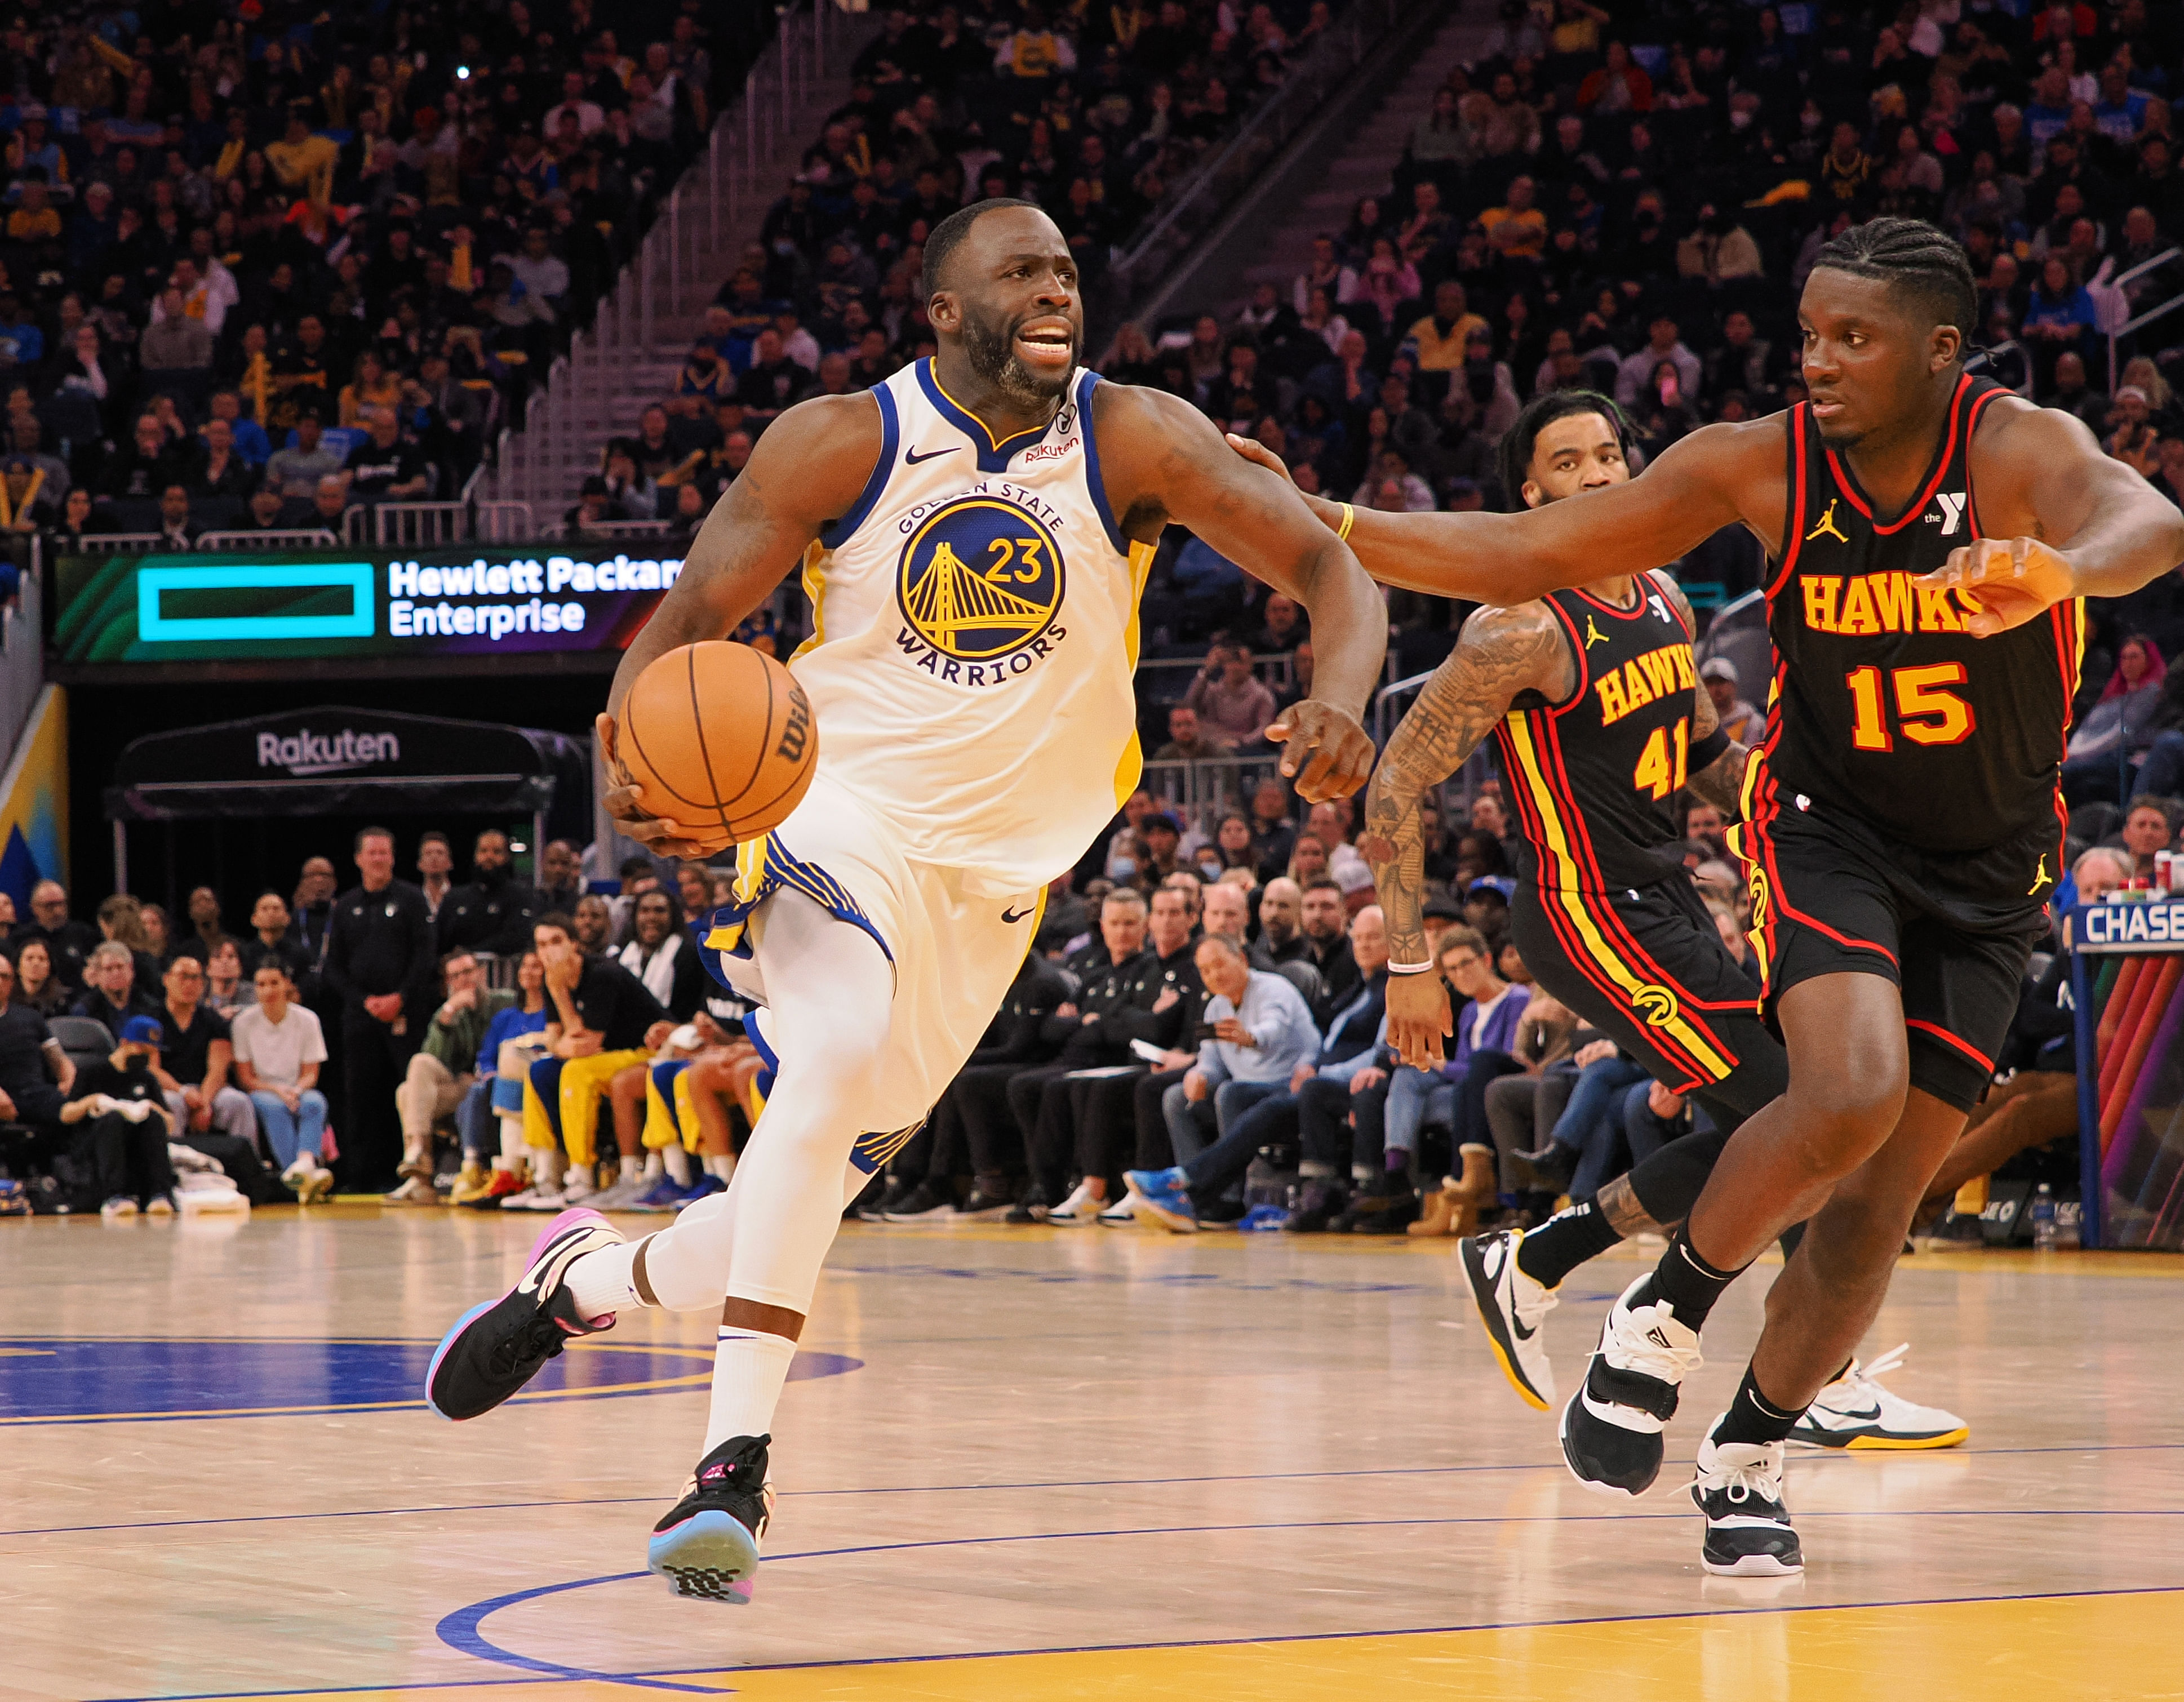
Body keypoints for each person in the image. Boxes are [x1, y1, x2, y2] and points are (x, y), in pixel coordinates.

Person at [425, 196, 1385, 1603]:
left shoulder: (1131, 436)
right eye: (1019, 270)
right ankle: (729, 1468)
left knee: (791, 1194)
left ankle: (582, 1282)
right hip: (838, 811)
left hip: (999, 886)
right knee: (826, 1055)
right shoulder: (840, 440)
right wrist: (629, 755)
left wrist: (1341, 695)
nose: (1054, 285)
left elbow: (1325, 562)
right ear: (943, 308)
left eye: (1063, 267)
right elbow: (683, 626)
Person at [1232, 217, 2184, 1576]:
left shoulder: (2010, 451)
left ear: (1937, 350)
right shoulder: (1753, 462)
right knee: (1837, 1091)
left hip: (1985, 874)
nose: (1817, 360)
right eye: (1806, 333)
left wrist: (2061, 568)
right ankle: (1658, 1314)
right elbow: (1514, 550)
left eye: (1850, 338)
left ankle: (1744, 1442)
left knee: (1870, 1207)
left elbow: (2139, 516)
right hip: (1821, 828)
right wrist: (1315, 518)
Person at [323, 826, 437, 1192]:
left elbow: (424, 956)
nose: (379, 859)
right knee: (360, 1094)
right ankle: (359, 1175)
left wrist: (400, 997)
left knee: (403, 1091)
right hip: (360, 1017)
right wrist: (364, 1001)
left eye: (385, 853)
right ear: (358, 858)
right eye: (372, 853)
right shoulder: (346, 906)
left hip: (404, 1014)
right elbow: (334, 968)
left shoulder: (411, 899)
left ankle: (403, 1171)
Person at [388, 949, 511, 1204]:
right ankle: (418, 1157)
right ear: (448, 983)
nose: (463, 980)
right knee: (412, 1081)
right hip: (458, 1087)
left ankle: (419, 1173)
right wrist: (448, 1015)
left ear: (480, 972)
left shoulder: (504, 1002)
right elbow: (432, 1063)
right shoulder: (448, 1012)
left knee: (407, 1094)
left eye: (467, 972)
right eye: (455, 976)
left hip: (489, 1083)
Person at [230, 959, 332, 1199]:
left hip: (297, 1088)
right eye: (261, 985)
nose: (268, 991)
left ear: (287, 984)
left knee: (315, 1103)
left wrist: (295, 1091)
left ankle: (305, 1165)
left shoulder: (307, 1020)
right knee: (275, 1108)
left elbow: (311, 1074)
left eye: (274, 983)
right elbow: (246, 1078)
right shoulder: (243, 1022)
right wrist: (277, 1091)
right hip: (262, 1089)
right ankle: (299, 1178)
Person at [60, 1015, 178, 1218]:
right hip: (97, 1144)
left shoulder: (146, 1078)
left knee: (153, 1120)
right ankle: (113, 1195)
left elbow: (169, 1123)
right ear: (125, 1044)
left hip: (134, 1143)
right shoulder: (93, 1071)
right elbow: (66, 1114)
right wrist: (92, 1101)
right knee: (113, 1119)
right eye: (144, 1050)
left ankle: (159, 1193)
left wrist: (151, 1107)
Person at [0, 950, 73, 1153]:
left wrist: (69, 1079)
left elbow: (59, 1059)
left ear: (12, 982)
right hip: (5, 1095)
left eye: (5, 977)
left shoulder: (30, 1018)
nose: (0, 982)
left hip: (36, 1094)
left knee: (79, 1111)